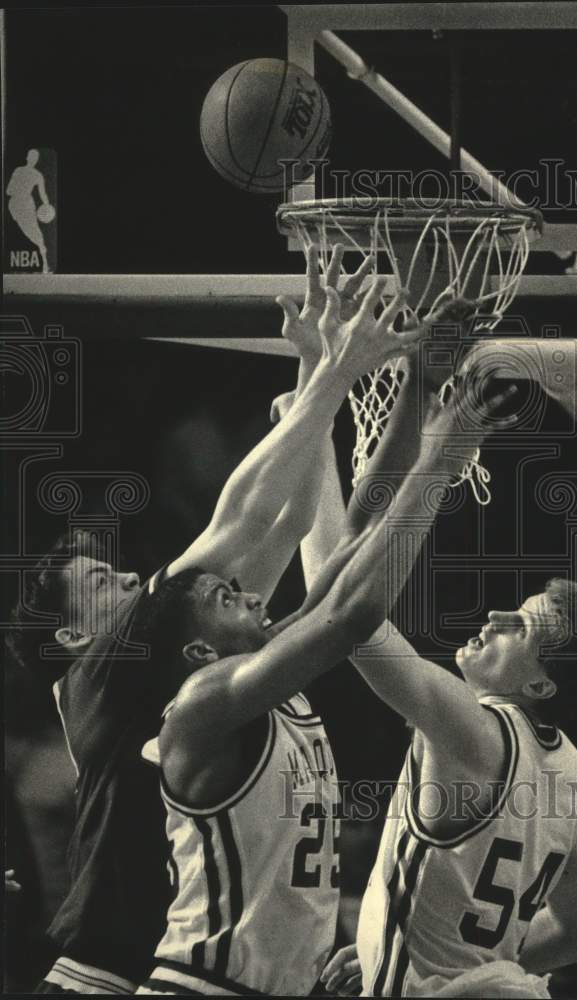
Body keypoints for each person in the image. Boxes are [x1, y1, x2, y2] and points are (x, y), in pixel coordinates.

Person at [6, 248, 417, 995]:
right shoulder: (100, 674)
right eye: (102, 582)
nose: (129, 577)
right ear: (71, 638)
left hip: (176, 970)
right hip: (99, 978)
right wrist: (332, 373)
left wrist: (312, 373)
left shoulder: (184, 657)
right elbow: (243, 520)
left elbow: (286, 527)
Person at [133, 305, 507, 996]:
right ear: (193, 651)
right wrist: (440, 460)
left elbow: (357, 538)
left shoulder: (260, 675)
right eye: (225, 599)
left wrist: (419, 389)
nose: (249, 595)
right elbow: (351, 613)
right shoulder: (203, 705)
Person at [299, 352, 577, 998]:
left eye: (521, 627)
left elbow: (339, 618)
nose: (498, 613)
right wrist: (467, 968)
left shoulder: (473, 729)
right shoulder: (573, 778)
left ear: (540, 686)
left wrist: (313, 444)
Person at [6, 149, 52, 272]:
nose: (33, 160)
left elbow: (43, 195)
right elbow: (8, 191)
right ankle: (43, 263)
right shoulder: (21, 171)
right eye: (32, 157)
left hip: (25, 204)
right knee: (28, 231)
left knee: (35, 233)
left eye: (35, 158)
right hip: (16, 204)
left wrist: (47, 207)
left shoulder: (37, 175)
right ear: (28, 158)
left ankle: (45, 265)